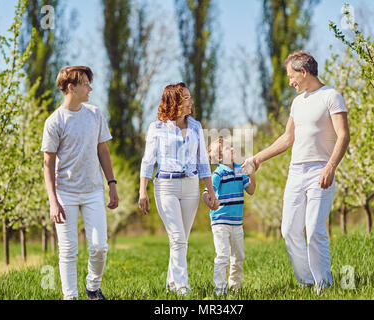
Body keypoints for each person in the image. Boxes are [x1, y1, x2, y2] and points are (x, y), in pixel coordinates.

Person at [242, 51, 350, 293]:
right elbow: (288, 137)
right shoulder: (297, 103)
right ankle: (307, 280)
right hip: (296, 172)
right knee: (289, 229)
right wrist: (258, 158)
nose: (290, 81)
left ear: (304, 72)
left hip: (320, 170)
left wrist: (331, 166)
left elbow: (343, 135)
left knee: (313, 230)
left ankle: (324, 284)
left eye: (292, 76)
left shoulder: (331, 96)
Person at [41, 66, 119, 300]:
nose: (90, 88)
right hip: (66, 193)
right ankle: (70, 296)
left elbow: (103, 150)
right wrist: (53, 202)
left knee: (99, 247)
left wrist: (112, 183)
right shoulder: (54, 122)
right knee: (68, 250)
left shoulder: (94, 114)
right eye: (86, 84)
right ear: (71, 87)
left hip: (93, 190)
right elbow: (47, 164)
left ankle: (93, 287)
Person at [138, 82, 219, 295]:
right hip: (166, 186)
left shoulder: (196, 126)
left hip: (191, 186)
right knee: (177, 238)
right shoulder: (156, 128)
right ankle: (182, 287)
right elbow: (148, 161)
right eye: (186, 98)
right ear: (175, 102)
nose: (191, 102)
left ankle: (171, 284)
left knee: (181, 240)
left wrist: (210, 190)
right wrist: (142, 191)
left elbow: (203, 161)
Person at [203, 138, 256, 295]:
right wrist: (211, 201)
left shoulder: (240, 170)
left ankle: (235, 287)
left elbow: (251, 190)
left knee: (239, 257)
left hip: (237, 223)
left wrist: (252, 175)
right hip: (220, 222)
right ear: (219, 158)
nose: (232, 149)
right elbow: (206, 193)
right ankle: (220, 290)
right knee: (223, 255)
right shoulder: (217, 174)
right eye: (227, 148)